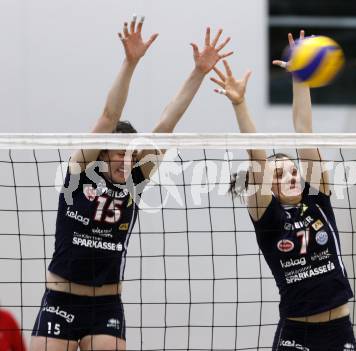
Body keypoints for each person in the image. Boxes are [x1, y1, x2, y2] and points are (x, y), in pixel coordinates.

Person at [30, 16, 232, 351]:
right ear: (102, 154)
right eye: (118, 152)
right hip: (60, 299)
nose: (125, 159)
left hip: (106, 305)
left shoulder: (136, 181)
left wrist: (198, 72)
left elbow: (168, 122)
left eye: (130, 153)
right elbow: (109, 116)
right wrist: (130, 61)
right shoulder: (79, 174)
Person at [210, 31, 356, 351]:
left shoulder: (318, 200)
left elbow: (304, 129)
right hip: (296, 334)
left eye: (293, 171)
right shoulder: (269, 217)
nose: (291, 176)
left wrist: (300, 75)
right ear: (269, 186)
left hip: (339, 330)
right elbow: (257, 159)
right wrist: (240, 104)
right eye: (280, 174)